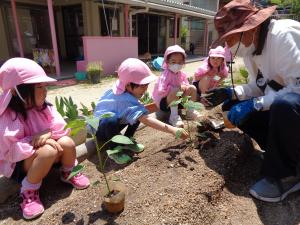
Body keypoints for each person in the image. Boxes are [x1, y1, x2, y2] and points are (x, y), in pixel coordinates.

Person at [204, 0, 300, 202]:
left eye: (230, 39)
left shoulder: (282, 37)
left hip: (294, 102)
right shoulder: (252, 49)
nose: (228, 46)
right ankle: (277, 152)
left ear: (251, 28)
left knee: (285, 105)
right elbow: (259, 85)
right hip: (286, 99)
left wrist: (256, 104)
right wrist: (232, 92)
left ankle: (287, 175)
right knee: (233, 105)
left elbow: (297, 89)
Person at [0, 58, 90, 220]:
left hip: (48, 153)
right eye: (38, 87)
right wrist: (36, 141)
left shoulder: (44, 108)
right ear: (15, 91)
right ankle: (28, 192)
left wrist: (47, 133)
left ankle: (68, 172)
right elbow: (11, 151)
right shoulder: (8, 117)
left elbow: (60, 128)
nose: (44, 91)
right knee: (48, 151)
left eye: (44, 86)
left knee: (67, 142)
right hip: (21, 164)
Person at [94, 58, 188, 161]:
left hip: (115, 123)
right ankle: (114, 148)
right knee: (113, 119)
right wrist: (173, 130)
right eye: (142, 86)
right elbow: (146, 120)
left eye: (146, 86)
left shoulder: (123, 88)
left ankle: (127, 140)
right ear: (128, 85)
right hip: (101, 130)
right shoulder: (123, 99)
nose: (145, 89)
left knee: (139, 111)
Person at [152, 45, 201, 128]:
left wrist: (184, 86)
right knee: (175, 90)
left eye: (180, 62)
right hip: (165, 103)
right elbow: (161, 91)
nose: (177, 65)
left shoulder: (181, 74)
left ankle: (190, 111)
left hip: (178, 101)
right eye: (173, 62)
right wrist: (177, 89)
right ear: (167, 62)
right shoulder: (165, 75)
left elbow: (185, 84)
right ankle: (174, 117)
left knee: (192, 88)